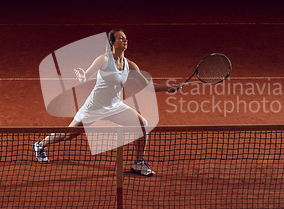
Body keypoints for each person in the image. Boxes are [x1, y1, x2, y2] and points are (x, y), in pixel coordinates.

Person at [33, 29, 180, 176]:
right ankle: (40, 145)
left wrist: (169, 88)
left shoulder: (130, 65)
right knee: (69, 134)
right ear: (113, 43)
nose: (125, 40)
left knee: (142, 124)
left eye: (125, 37)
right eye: (121, 38)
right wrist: (82, 75)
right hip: (94, 107)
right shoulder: (104, 60)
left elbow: (147, 86)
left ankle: (138, 163)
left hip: (115, 106)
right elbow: (85, 77)